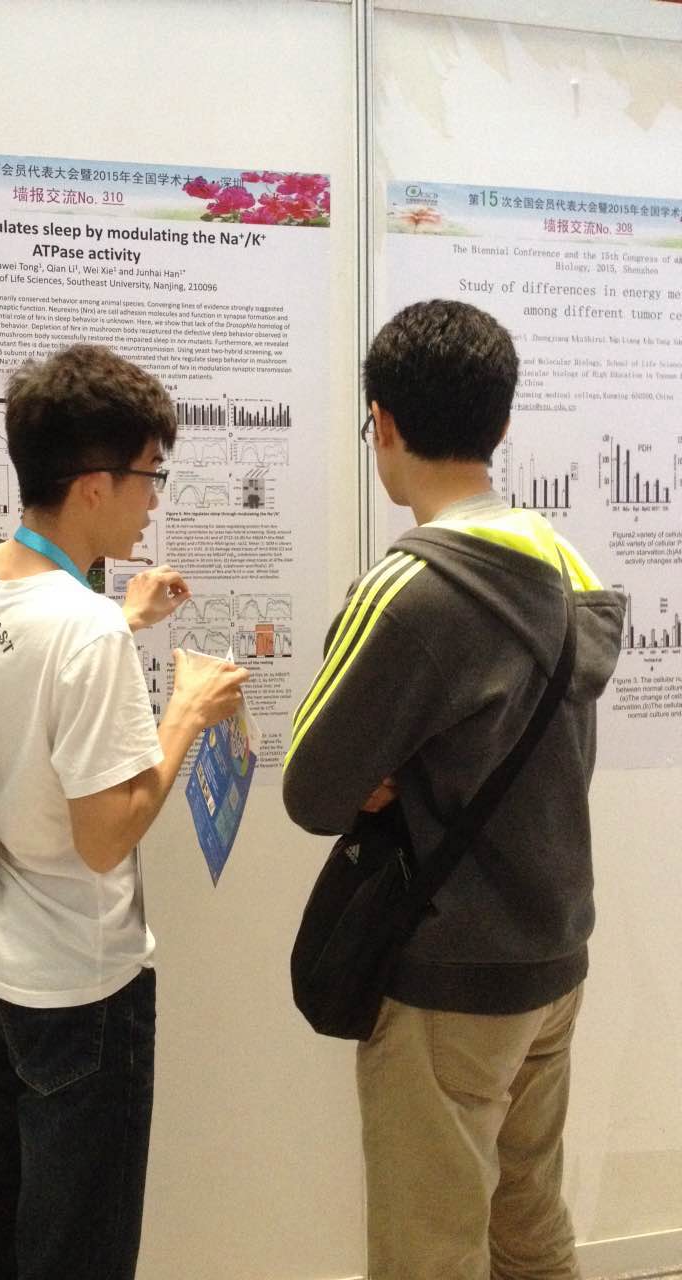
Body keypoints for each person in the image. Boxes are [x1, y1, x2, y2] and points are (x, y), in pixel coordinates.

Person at [283, 299, 625, 1280]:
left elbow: (314, 790)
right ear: (502, 424)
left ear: (383, 422)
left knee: (429, 1251)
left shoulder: (408, 589)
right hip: (552, 954)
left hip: (449, 979)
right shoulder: (563, 561)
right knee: (530, 1226)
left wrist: (379, 780)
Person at [0, 343, 248, 1280]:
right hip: (82, 988)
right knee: (78, 1253)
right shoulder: (83, 632)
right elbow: (105, 835)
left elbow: (32, 682)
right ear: (92, 486)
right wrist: (185, 712)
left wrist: (124, 618)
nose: (154, 499)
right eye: (150, 474)